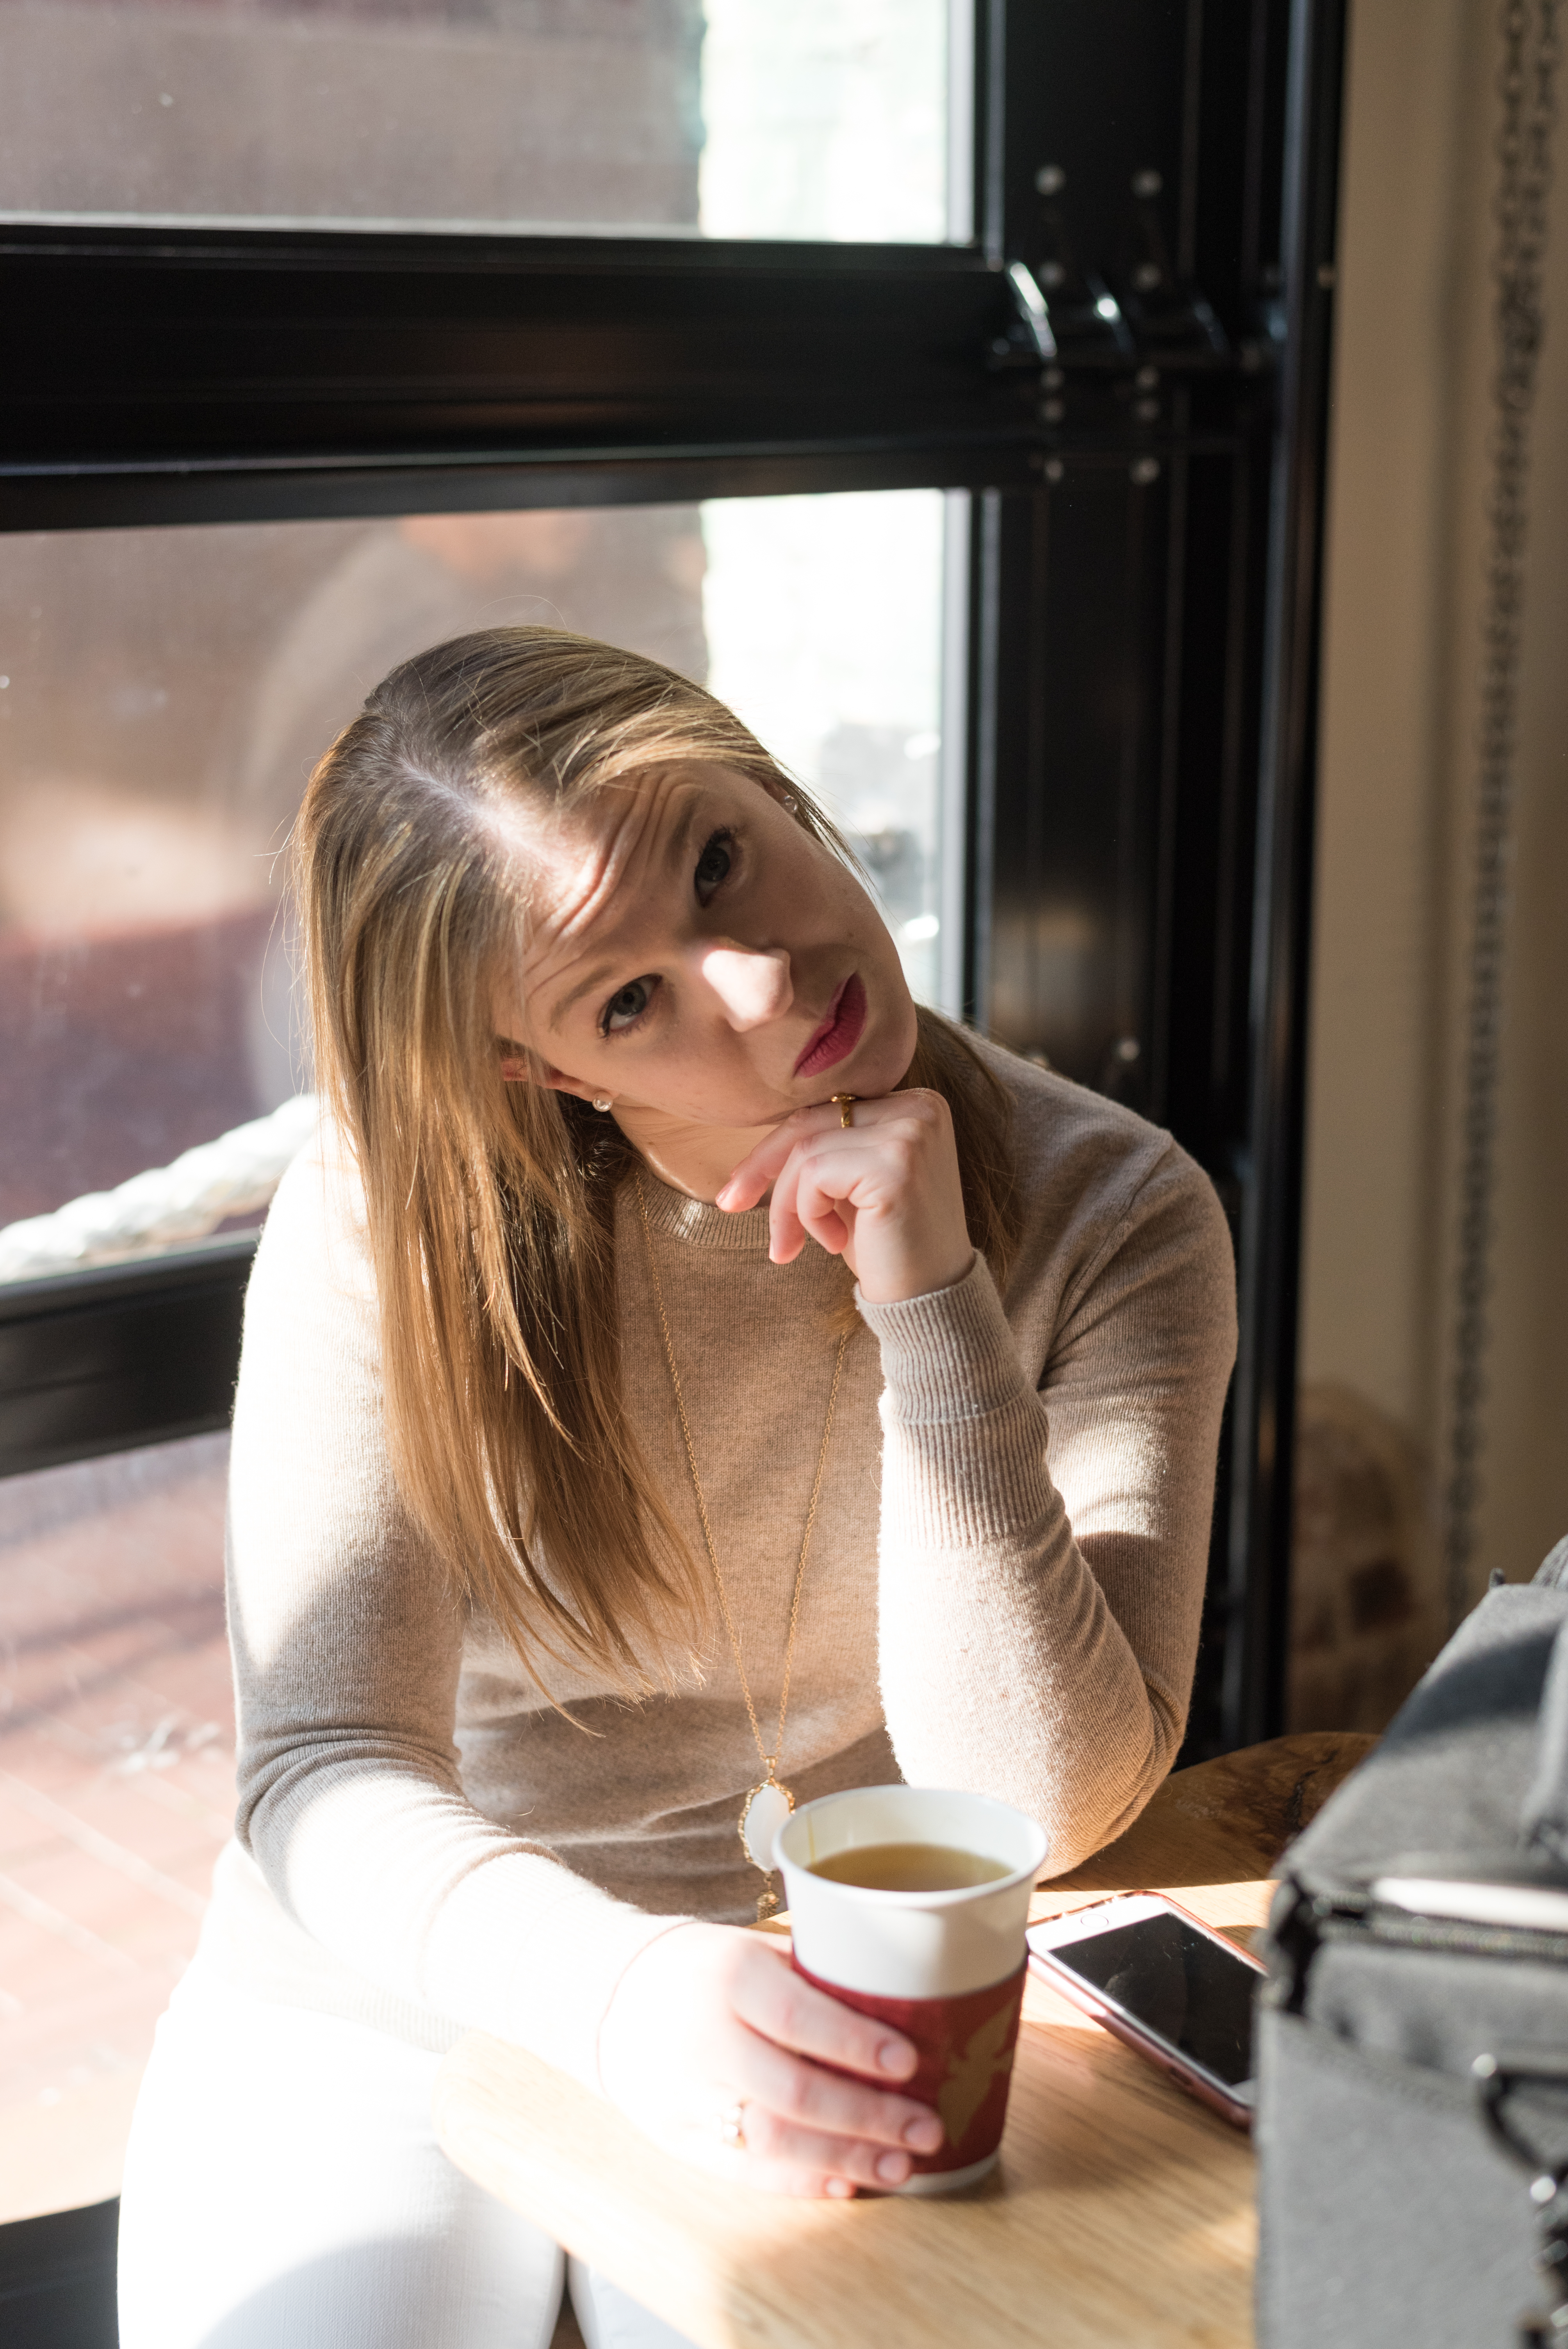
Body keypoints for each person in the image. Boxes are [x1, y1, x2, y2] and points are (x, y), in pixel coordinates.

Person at [116, 626, 1237, 2348]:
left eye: (720, 856)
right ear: (541, 1069)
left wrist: (927, 1313)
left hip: (828, 1985)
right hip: (413, 1966)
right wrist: (622, 1989)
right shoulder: (386, 1219)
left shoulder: (1116, 1208)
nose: (760, 981)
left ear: (761, 773)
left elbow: (1042, 1795)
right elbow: (328, 1768)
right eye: (628, 997)